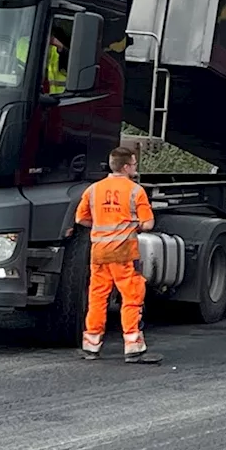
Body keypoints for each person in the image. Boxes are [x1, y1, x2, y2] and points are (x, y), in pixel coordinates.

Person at [74, 146, 162, 364]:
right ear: (125, 167)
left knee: (97, 297)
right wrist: (133, 227)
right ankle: (133, 347)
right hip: (124, 254)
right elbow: (148, 224)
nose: (135, 167)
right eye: (133, 164)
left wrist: (103, 226)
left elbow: (81, 219)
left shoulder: (93, 190)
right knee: (132, 297)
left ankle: (91, 346)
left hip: (99, 254)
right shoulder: (135, 191)